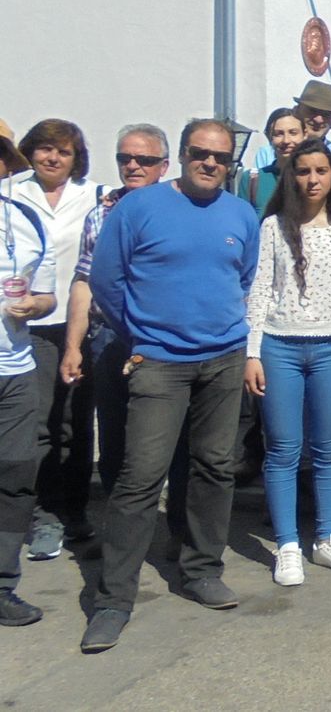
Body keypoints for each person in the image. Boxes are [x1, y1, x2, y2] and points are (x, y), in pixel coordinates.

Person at [82, 119, 261, 653]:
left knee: (213, 468)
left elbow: (243, 277)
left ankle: (201, 570)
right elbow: (106, 280)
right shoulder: (138, 209)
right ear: (181, 155)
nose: (210, 162)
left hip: (223, 361)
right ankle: (113, 600)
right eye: (200, 153)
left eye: (221, 157)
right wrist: (138, 335)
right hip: (157, 362)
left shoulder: (241, 214)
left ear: (232, 164)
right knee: (140, 478)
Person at [243, 138, 331, 587]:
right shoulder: (273, 228)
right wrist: (253, 352)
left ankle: (327, 537)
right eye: (303, 171)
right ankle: (287, 545)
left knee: (326, 451)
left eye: (321, 170)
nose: (312, 179)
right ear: (291, 176)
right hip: (280, 347)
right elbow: (260, 290)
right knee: (282, 450)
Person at [57, 125, 177, 546]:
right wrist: (73, 345)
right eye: (125, 158)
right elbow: (83, 281)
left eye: (144, 160)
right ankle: (120, 535)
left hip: (165, 342)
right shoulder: (101, 213)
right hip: (110, 337)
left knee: (169, 440)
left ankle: (174, 533)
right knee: (114, 437)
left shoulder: (179, 209)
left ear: (163, 166)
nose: (133, 166)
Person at [10, 119, 102, 561]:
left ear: (75, 158)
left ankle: (75, 511)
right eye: (45, 149)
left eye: (62, 152)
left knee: (77, 423)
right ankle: (44, 514)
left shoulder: (94, 195)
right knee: (42, 424)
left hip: (79, 324)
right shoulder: (12, 192)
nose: (52, 158)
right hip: (30, 326)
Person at [0, 119, 58, 627]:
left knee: (18, 475)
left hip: (15, 369)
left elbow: (47, 293)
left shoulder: (24, 219)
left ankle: (2, 586)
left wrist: (35, 306)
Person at [250, 82, 331, 208]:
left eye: (326, 114)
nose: (318, 119)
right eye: (312, 111)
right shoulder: (268, 153)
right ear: (296, 111)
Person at [235, 108, 305, 218]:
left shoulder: (312, 179)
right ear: (269, 137)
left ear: (304, 135)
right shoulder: (252, 180)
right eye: (278, 134)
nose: (286, 140)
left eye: (293, 133)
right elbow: (242, 224)